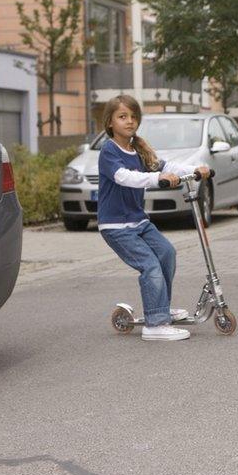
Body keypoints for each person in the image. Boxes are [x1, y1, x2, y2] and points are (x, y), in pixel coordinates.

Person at [96, 94, 209, 341]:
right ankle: (155, 325)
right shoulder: (109, 151)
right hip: (116, 226)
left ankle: (160, 308)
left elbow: (166, 166)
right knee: (150, 265)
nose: (129, 121)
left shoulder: (138, 149)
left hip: (138, 221)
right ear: (110, 123)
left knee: (166, 253)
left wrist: (195, 170)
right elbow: (124, 177)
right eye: (122, 117)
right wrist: (156, 179)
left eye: (133, 117)